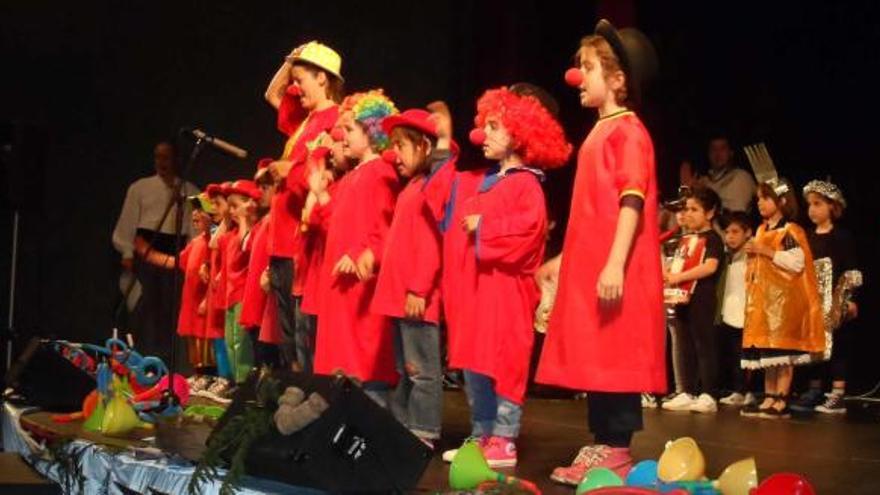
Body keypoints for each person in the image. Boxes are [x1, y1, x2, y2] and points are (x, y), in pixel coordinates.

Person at [535, 20, 663, 483]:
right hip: (593, 264)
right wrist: (565, 259)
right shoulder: (600, 131)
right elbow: (592, 212)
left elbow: (633, 198)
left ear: (618, 79)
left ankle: (616, 446)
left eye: (588, 68)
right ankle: (602, 442)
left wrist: (614, 262)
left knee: (616, 355)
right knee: (598, 356)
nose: (579, 77)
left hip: (618, 265)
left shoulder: (628, 132)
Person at [371, 108, 453, 448]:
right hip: (398, 297)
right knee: (406, 369)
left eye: (400, 146)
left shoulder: (432, 186)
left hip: (417, 296)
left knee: (422, 371)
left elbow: (432, 242)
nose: (394, 155)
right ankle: (403, 426)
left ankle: (423, 431)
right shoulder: (410, 189)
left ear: (423, 146)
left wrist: (419, 287)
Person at [312, 90, 400, 404]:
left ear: (372, 130)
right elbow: (334, 224)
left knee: (363, 357)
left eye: (349, 130)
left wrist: (364, 253)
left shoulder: (381, 173)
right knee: (340, 361)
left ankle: (370, 421)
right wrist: (321, 196)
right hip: (340, 285)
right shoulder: (350, 177)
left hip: (361, 286)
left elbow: (386, 227)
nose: (342, 136)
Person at [263, 41, 344, 370]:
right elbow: (272, 94)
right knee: (288, 337)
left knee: (303, 336)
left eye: (302, 79)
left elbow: (323, 175)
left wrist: (290, 169)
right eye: (294, 80)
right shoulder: (305, 122)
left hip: (303, 241)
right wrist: (291, 59)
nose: (295, 87)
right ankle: (290, 402)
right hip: (282, 240)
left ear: (323, 78)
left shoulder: (335, 119)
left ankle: (306, 406)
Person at [741, 180, 824, 419]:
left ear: (782, 202)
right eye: (758, 199)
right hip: (764, 303)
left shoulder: (790, 230)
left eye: (765, 198)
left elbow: (797, 262)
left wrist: (764, 251)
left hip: (784, 302)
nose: (760, 203)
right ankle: (769, 395)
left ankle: (782, 397)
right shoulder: (761, 230)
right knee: (769, 356)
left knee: (783, 355)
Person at [112, 139, 199, 363]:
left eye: (166, 157)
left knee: (171, 310)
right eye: (158, 157)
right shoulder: (140, 188)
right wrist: (128, 252)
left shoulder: (189, 191)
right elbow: (128, 222)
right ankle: (143, 359)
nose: (162, 162)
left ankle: (169, 362)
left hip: (175, 254)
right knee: (146, 308)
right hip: (146, 252)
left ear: (176, 160)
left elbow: (193, 229)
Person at [790, 180, 861, 414]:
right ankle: (815, 389)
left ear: (832, 207)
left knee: (839, 345)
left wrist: (850, 299)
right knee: (815, 347)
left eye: (818, 204)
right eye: (809, 204)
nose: (812, 209)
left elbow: (851, 270)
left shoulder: (841, 236)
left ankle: (838, 393)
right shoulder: (807, 237)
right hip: (813, 301)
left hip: (836, 299)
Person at [660, 187, 724, 413]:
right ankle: (686, 391)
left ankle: (709, 394)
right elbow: (679, 263)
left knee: (703, 344)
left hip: (702, 298)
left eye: (695, 209)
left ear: (710, 212)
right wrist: (669, 274)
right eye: (687, 209)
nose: (688, 213)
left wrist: (679, 276)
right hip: (681, 296)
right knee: (684, 344)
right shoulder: (686, 239)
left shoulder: (713, 238)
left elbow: (710, 266)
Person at [716, 212, 758, 407]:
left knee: (750, 355)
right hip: (731, 309)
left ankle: (752, 391)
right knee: (735, 354)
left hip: (749, 310)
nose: (730, 236)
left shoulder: (754, 254)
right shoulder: (727, 255)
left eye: (735, 232)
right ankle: (738, 390)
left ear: (748, 232)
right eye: (727, 232)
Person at [701, 135, 756, 214]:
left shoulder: (741, 177)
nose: (717, 153)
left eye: (722, 148)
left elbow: (738, 212)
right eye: (713, 149)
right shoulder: (703, 182)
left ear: (731, 153)